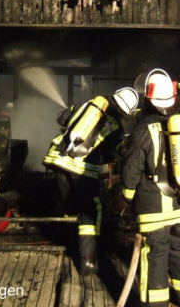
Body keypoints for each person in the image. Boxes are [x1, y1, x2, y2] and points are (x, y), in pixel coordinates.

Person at [118, 69, 180, 307]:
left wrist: (129, 198)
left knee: (155, 254)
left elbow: (129, 175)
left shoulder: (141, 133)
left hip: (153, 208)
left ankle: (156, 303)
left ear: (148, 102)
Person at [43, 87, 139, 275]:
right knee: (90, 212)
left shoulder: (88, 104)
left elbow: (62, 118)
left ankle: (66, 242)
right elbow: (117, 152)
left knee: (67, 205)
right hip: (82, 169)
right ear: (125, 112)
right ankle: (87, 262)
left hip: (58, 160)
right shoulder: (117, 127)